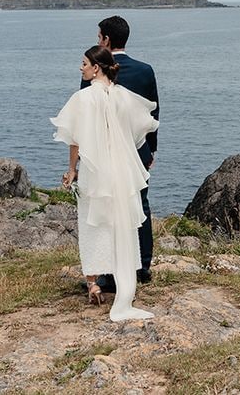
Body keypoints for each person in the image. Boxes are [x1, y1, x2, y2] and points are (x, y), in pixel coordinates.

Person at [51, 45, 158, 321]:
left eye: (84, 63)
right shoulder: (123, 97)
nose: (81, 68)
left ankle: (93, 280)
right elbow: (139, 132)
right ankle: (125, 291)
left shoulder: (84, 98)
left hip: (96, 169)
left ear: (96, 68)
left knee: (94, 223)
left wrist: (71, 169)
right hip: (121, 170)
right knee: (121, 224)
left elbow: (75, 138)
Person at [81, 16, 159, 291]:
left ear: (106, 40)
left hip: (105, 150)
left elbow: (87, 120)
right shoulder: (146, 70)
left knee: (106, 208)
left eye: (98, 35)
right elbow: (152, 112)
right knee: (140, 204)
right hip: (137, 148)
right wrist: (152, 149)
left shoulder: (94, 72)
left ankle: (109, 271)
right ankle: (143, 265)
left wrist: (82, 159)